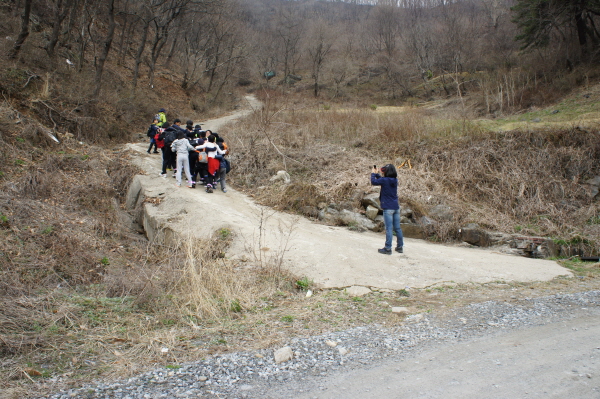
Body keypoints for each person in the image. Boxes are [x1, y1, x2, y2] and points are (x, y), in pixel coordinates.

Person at [370, 164, 404, 255]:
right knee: (397, 228)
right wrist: (378, 174)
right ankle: (400, 247)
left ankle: (388, 248)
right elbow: (383, 180)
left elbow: (374, 182)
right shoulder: (395, 180)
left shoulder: (385, 180)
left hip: (388, 208)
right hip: (396, 207)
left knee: (389, 228)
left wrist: (373, 173)